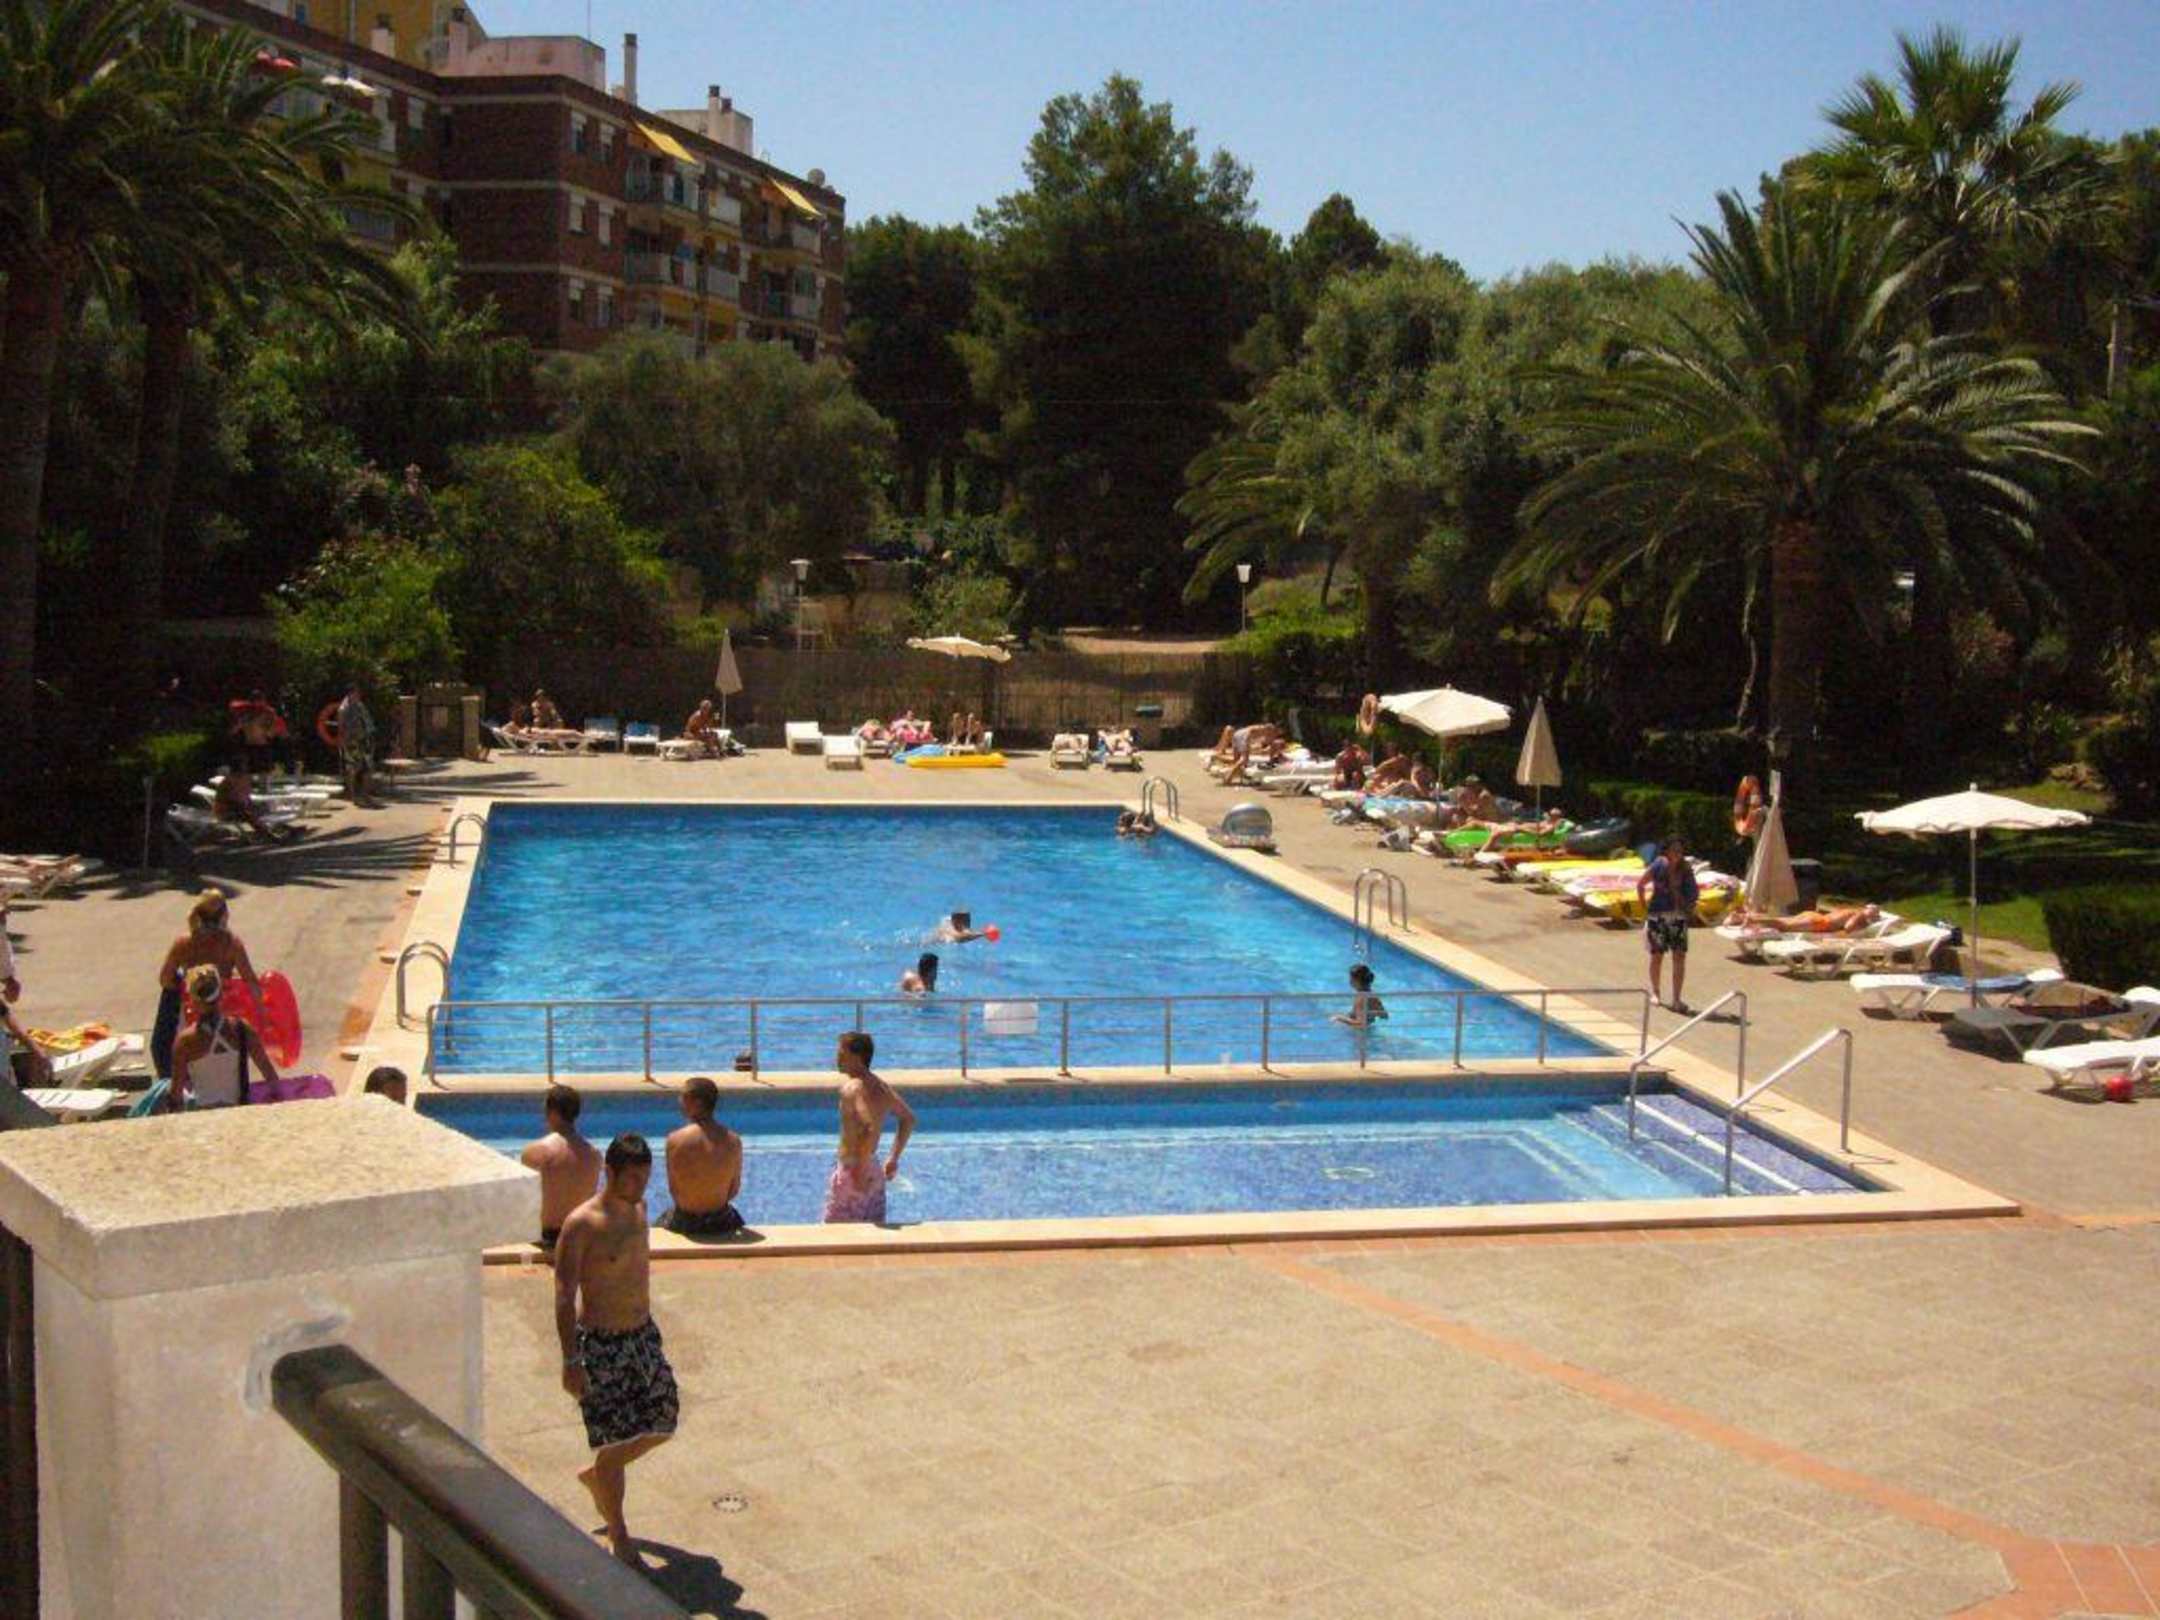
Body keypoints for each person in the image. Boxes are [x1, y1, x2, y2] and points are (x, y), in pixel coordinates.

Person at [554, 1134, 678, 1568]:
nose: (640, 1187)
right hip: (602, 1346)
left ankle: (600, 1474)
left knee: (664, 1421)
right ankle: (618, 1533)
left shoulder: (640, 1210)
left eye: (645, 1178)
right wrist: (571, 1360)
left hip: (641, 1336)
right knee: (616, 1440)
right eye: (632, 1179)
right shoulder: (582, 1224)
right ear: (610, 1172)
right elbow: (563, 1294)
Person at [152, 891, 263, 1079]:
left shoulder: (183, 943)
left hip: (192, 1010)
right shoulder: (232, 944)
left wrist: (184, 984)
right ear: (224, 915)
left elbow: (165, 979)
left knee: (173, 990)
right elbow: (252, 983)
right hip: (222, 1009)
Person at [824, 1031, 914, 1224]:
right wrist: (893, 1158)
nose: (836, 1059)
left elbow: (868, 1126)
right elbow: (908, 1119)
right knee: (872, 1233)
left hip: (853, 1172)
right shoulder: (881, 1087)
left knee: (835, 1236)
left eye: (841, 1054)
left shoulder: (852, 1088)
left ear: (857, 1057)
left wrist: (859, 1169)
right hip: (874, 1171)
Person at [166, 964, 280, 1110]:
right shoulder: (242, 1030)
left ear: (193, 1001)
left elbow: (175, 1095)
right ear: (220, 994)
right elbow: (271, 1077)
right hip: (236, 1111)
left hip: (203, 1113)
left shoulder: (185, 1041)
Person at [521, 1084, 603, 1256]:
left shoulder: (535, 1152)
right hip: (580, 1237)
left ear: (552, 1113)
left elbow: (523, 1204)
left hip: (544, 1238)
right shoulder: (594, 1156)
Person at [661, 1078, 744, 1237]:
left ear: (696, 1103)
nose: (679, 1101)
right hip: (720, 1222)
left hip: (686, 1222)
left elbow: (674, 1189)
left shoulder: (674, 1140)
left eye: (683, 1097)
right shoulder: (734, 1141)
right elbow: (734, 1190)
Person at [1636, 835, 1701, 1014]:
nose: (1678, 853)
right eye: (1674, 850)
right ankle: (1655, 992)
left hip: (1678, 916)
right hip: (1658, 915)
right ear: (1667, 851)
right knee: (1657, 956)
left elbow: (1693, 894)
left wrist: (1685, 900)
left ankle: (1676, 999)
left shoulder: (1685, 869)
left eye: (1680, 850)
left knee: (1679, 957)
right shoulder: (1658, 864)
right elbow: (1641, 884)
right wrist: (1645, 909)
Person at [213, 762, 301, 842]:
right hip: (227, 812)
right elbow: (232, 800)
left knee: (262, 809)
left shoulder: (244, 779)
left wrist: (251, 806)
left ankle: (281, 829)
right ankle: (269, 836)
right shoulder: (229, 782)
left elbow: (246, 797)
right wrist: (248, 808)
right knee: (249, 814)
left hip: (240, 808)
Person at [336, 682, 376, 802]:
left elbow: (368, 723)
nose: (359, 694)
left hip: (363, 740)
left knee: (368, 767)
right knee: (352, 767)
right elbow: (341, 726)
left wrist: (371, 738)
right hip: (351, 742)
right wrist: (342, 741)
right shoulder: (343, 708)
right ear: (350, 693)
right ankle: (352, 794)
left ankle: (365, 794)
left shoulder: (360, 705)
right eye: (356, 692)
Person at [1737, 903, 1883, 935]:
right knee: (1783, 925)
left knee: (1782, 921)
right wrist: (1862, 925)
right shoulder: (1859, 915)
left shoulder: (1852, 909)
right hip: (1820, 923)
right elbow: (1848, 928)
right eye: (1873, 915)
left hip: (1814, 916)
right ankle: (1753, 920)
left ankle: (1745, 917)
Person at [1333, 962, 1389, 1028]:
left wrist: (1341, 1019)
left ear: (1357, 981)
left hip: (1359, 1033)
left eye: (1351, 979)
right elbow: (1384, 1016)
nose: (1350, 981)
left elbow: (1360, 1024)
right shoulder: (1372, 995)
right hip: (1369, 1030)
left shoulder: (1361, 998)